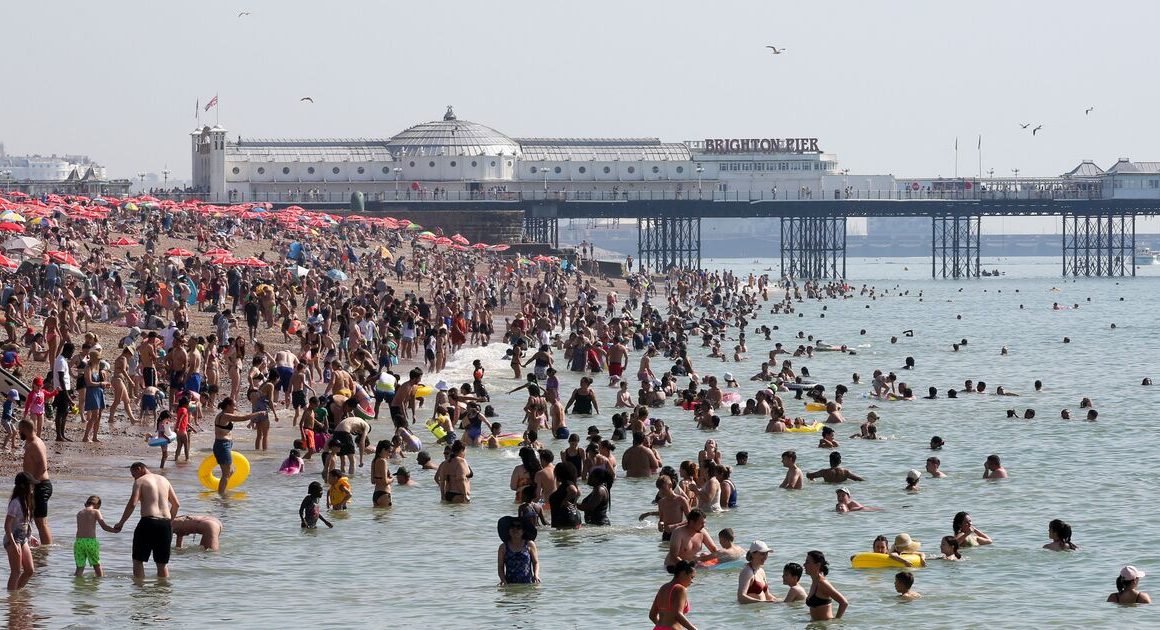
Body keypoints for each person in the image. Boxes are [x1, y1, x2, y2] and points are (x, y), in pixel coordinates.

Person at [112, 462, 181, 578]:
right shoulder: (164, 480)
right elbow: (176, 505)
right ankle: (163, 593)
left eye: (134, 475)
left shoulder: (141, 481)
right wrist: (168, 522)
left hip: (148, 522)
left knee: (138, 561)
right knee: (162, 564)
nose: (134, 478)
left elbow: (132, 504)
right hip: (165, 524)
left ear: (139, 469)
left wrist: (121, 523)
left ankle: (139, 592)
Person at [212, 398, 263, 495]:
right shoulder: (225, 416)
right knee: (226, 474)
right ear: (228, 406)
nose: (235, 408)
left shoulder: (223, 415)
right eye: (233, 406)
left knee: (230, 471)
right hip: (222, 445)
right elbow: (243, 418)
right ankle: (221, 496)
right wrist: (258, 413)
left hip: (224, 445)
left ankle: (222, 492)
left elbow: (238, 416)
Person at [18, 419, 52, 544]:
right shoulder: (31, 442)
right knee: (38, 521)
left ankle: (45, 552)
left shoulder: (35, 444)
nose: (19, 433)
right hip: (38, 485)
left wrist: (32, 484)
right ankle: (41, 548)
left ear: (26, 430)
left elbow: (42, 467)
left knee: (41, 522)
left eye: (20, 431)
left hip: (40, 486)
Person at [4, 472, 34, 591]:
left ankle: (16, 594)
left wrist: (31, 536)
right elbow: (7, 525)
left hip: (23, 538)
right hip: (12, 538)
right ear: (23, 486)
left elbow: (24, 523)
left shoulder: (27, 501)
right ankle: (12, 601)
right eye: (31, 485)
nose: (33, 487)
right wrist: (12, 543)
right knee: (16, 572)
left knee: (30, 570)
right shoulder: (15, 502)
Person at [74, 495, 116, 577]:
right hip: (90, 542)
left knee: (79, 567)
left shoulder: (79, 513)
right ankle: (100, 580)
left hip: (78, 542)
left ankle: (77, 586)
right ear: (97, 505)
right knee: (96, 564)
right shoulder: (96, 512)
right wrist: (114, 530)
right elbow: (104, 526)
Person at [649, 560, 697, 630]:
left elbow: (652, 615)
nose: (692, 581)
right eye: (691, 577)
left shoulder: (663, 587)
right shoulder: (680, 589)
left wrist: (662, 627)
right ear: (683, 573)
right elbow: (677, 614)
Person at [804, 550, 848, 620]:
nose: (804, 565)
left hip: (825, 626)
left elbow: (844, 603)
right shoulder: (814, 581)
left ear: (817, 565)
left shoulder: (822, 583)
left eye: (807, 562)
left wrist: (836, 621)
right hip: (815, 625)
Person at [496, 515, 540, 585]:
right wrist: (503, 580)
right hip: (510, 585)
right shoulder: (503, 547)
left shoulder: (529, 544)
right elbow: (500, 566)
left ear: (523, 531)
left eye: (518, 527)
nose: (515, 529)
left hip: (527, 583)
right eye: (512, 526)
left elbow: (535, 562)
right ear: (508, 530)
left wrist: (536, 575)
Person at [371, 440, 394, 507]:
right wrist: (392, 479)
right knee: (386, 516)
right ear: (383, 450)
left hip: (376, 494)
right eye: (389, 451)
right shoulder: (383, 461)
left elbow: (372, 481)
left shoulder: (374, 461)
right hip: (384, 494)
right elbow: (385, 482)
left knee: (377, 517)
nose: (390, 454)